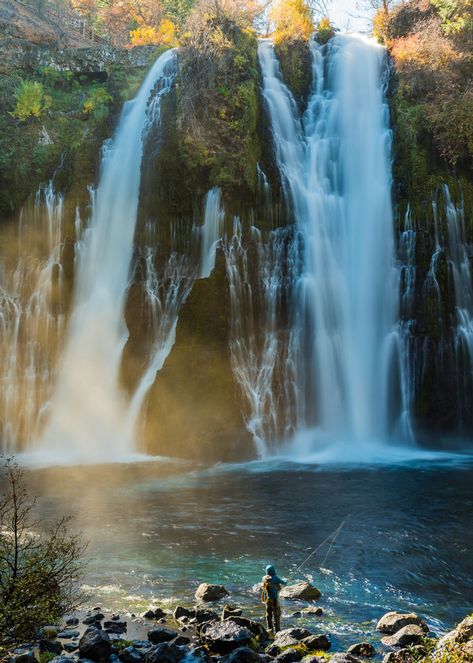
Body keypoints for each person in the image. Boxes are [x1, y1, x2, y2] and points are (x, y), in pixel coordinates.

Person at [261, 564, 286, 633]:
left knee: (268, 614)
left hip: (267, 599)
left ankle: (269, 628)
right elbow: (284, 583)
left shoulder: (264, 578)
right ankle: (277, 630)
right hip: (274, 599)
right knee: (276, 614)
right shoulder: (275, 578)